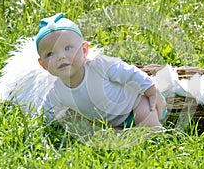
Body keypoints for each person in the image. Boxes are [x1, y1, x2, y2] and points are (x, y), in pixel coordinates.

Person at [36, 13, 167, 129]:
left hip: (133, 106)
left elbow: (131, 73)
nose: (61, 57)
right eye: (50, 54)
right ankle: (121, 133)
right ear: (43, 65)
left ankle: (153, 130)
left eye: (68, 48)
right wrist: (42, 126)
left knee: (144, 109)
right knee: (82, 123)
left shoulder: (99, 66)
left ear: (84, 51)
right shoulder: (57, 91)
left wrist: (152, 91)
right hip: (107, 121)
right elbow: (47, 115)